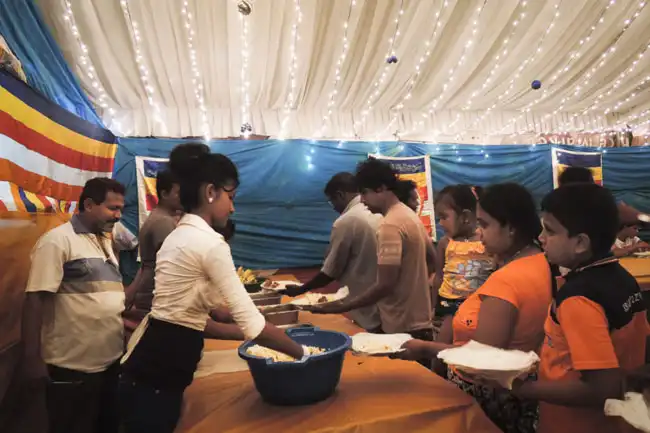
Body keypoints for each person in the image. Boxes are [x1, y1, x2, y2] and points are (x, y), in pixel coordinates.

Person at [119, 143, 304, 433]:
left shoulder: (180, 234)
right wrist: (303, 353)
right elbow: (253, 326)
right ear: (210, 192)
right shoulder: (209, 243)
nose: (232, 207)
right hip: (161, 368)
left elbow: (198, 305)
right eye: (230, 197)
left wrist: (236, 316)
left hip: (147, 359)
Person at [397, 183, 552, 433]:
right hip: (519, 391)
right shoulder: (539, 261)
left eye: (485, 224)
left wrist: (424, 348)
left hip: (491, 402)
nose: (479, 234)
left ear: (511, 227)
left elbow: (482, 360)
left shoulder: (508, 280)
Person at [512, 183, 648, 433]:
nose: (541, 238)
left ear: (580, 243)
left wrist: (520, 388)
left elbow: (600, 389)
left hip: (576, 424)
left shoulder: (579, 298)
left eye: (550, 231)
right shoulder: (622, 277)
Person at [21, 177, 126, 433]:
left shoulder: (104, 241)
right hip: (72, 368)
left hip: (108, 363)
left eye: (120, 208)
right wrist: (32, 358)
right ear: (89, 205)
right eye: (113, 208)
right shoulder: (56, 242)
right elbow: (34, 300)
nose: (118, 215)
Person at [307, 159, 435, 361]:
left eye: (365, 193)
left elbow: (385, 284)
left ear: (381, 188)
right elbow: (432, 260)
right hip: (420, 319)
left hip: (401, 325)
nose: (363, 201)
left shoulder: (390, 225)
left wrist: (341, 306)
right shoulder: (409, 215)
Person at [282, 172, 382, 332]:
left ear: (340, 195)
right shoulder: (377, 211)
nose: (334, 207)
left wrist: (301, 290)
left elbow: (330, 271)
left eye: (332, 202)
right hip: (387, 303)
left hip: (365, 304)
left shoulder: (348, 220)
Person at [431, 185, 494, 358]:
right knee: (441, 351)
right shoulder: (445, 243)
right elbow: (439, 277)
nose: (440, 223)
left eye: (444, 217)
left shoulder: (486, 241)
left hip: (476, 306)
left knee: (469, 352)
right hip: (447, 305)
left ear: (465, 216)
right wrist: (433, 307)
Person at [126, 169, 182, 311]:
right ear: (164, 194)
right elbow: (175, 264)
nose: (184, 198)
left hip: (151, 292)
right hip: (155, 296)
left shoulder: (162, 217)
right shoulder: (163, 222)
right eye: (179, 194)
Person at [558, 166, 647, 226]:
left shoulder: (556, 210)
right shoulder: (600, 206)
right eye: (592, 181)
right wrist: (642, 217)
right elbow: (636, 217)